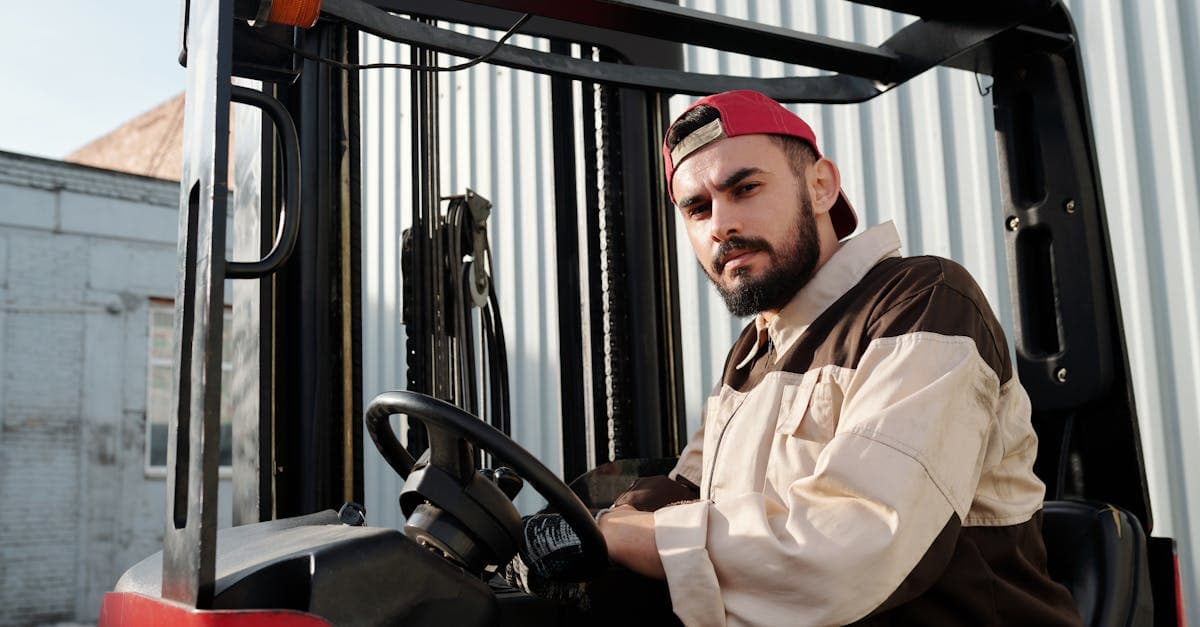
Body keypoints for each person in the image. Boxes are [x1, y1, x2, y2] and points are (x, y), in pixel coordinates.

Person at [590, 90, 1083, 626]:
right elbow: (693, 488)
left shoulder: (922, 303)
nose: (720, 226)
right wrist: (613, 513)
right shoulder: (757, 349)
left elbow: (846, 550)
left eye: (746, 188)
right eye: (698, 207)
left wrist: (628, 537)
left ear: (821, 185)